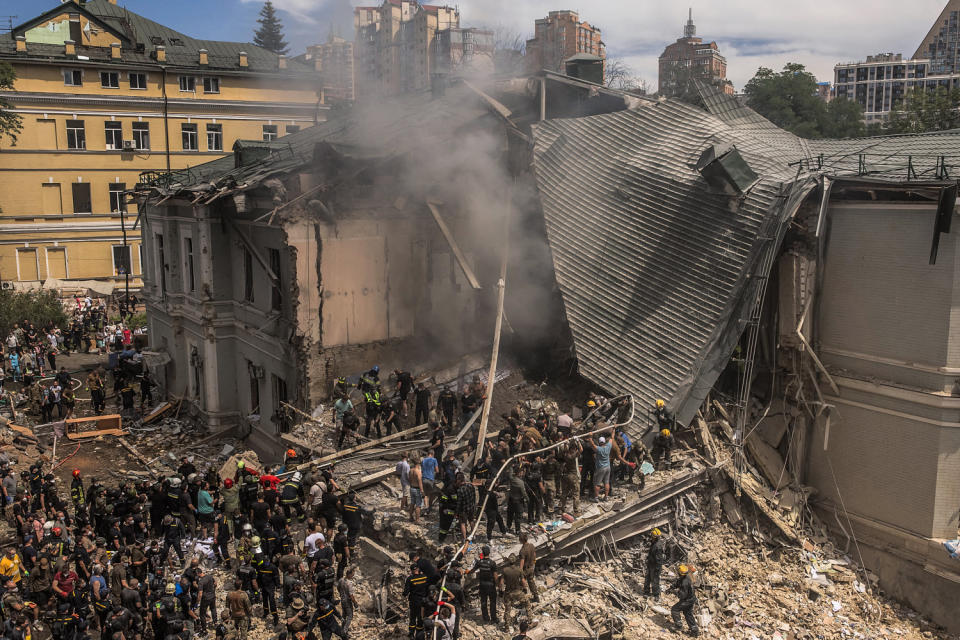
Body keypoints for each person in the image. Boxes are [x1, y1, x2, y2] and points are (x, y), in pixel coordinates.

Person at [467, 545, 499, 623]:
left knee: (483, 602)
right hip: (491, 585)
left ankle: (486, 618)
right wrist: (498, 585)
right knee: (492, 602)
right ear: (489, 553)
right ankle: (494, 618)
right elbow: (495, 575)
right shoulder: (492, 563)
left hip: (482, 585)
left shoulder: (479, 562)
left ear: (483, 553)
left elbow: (473, 570)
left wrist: (467, 572)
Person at [670, 564, 699, 637]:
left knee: (674, 609)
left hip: (687, 600)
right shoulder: (686, 577)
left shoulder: (684, 583)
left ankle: (678, 626)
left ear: (680, 573)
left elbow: (683, 595)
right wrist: (672, 587)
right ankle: (694, 631)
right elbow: (678, 582)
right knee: (688, 614)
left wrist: (675, 592)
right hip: (691, 599)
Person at [402, 563, 428, 639]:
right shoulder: (424, 577)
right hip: (423, 601)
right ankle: (419, 634)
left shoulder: (410, 579)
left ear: (412, 570)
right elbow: (427, 588)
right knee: (420, 618)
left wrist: (403, 595)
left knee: (413, 617)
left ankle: (411, 634)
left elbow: (406, 591)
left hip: (414, 601)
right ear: (418, 569)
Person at [643, 528, 665, 600]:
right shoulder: (654, 542)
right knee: (647, 578)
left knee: (655, 580)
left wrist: (657, 569)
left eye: (652, 536)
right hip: (650, 564)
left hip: (655, 566)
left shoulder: (657, 546)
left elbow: (659, 559)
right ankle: (646, 592)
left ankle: (656, 595)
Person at [518, 532, 539, 603]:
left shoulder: (522, 551)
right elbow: (534, 555)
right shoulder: (531, 546)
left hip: (525, 569)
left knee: (521, 583)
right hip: (531, 567)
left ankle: (523, 599)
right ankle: (536, 597)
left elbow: (522, 563)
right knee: (531, 581)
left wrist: (520, 574)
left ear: (521, 540)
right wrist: (533, 563)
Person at [408, 456, 424, 523]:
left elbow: (409, 480)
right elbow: (420, 482)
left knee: (412, 503)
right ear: (418, 464)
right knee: (418, 505)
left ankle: (410, 517)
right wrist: (422, 491)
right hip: (417, 489)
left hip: (412, 488)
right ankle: (417, 519)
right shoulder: (418, 472)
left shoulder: (410, 470)